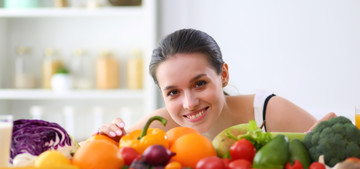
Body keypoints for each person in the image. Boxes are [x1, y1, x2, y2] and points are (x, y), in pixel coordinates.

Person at [98, 28, 336, 141]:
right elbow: (93, 150)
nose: (189, 103)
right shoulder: (160, 124)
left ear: (223, 74)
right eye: (173, 92)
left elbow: (334, 154)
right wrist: (108, 135)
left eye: (200, 83)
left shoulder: (270, 111)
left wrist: (321, 141)